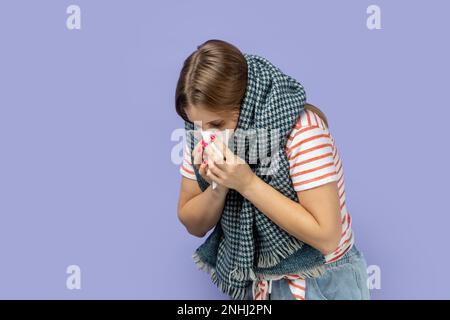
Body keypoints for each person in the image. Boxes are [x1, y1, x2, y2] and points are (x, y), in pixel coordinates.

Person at [175, 39, 370, 300]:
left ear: (245, 105)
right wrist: (218, 185)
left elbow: (326, 237)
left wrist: (246, 184)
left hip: (323, 279)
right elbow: (193, 223)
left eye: (217, 124)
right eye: (197, 125)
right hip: (260, 284)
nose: (206, 136)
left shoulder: (302, 130)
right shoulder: (202, 133)